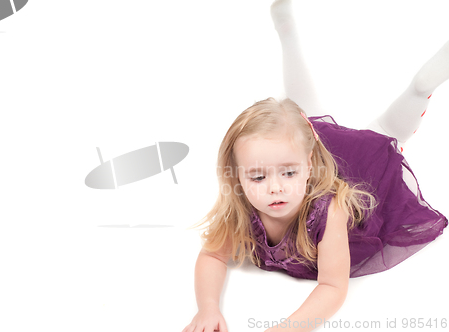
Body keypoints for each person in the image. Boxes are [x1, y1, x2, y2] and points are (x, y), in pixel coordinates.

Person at [182, 1, 449, 331]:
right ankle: (287, 29)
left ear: (309, 165)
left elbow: (332, 287)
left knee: (384, 137)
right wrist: (207, 308)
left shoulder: (329, 210)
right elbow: (212, 255)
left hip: (358, 173)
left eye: (288, 173)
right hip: (300, 150)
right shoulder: (242, 204)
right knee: (299, 117)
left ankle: (420, 87)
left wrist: (283, 329)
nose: (275, 187)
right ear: (236, 174)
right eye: (257, 175)